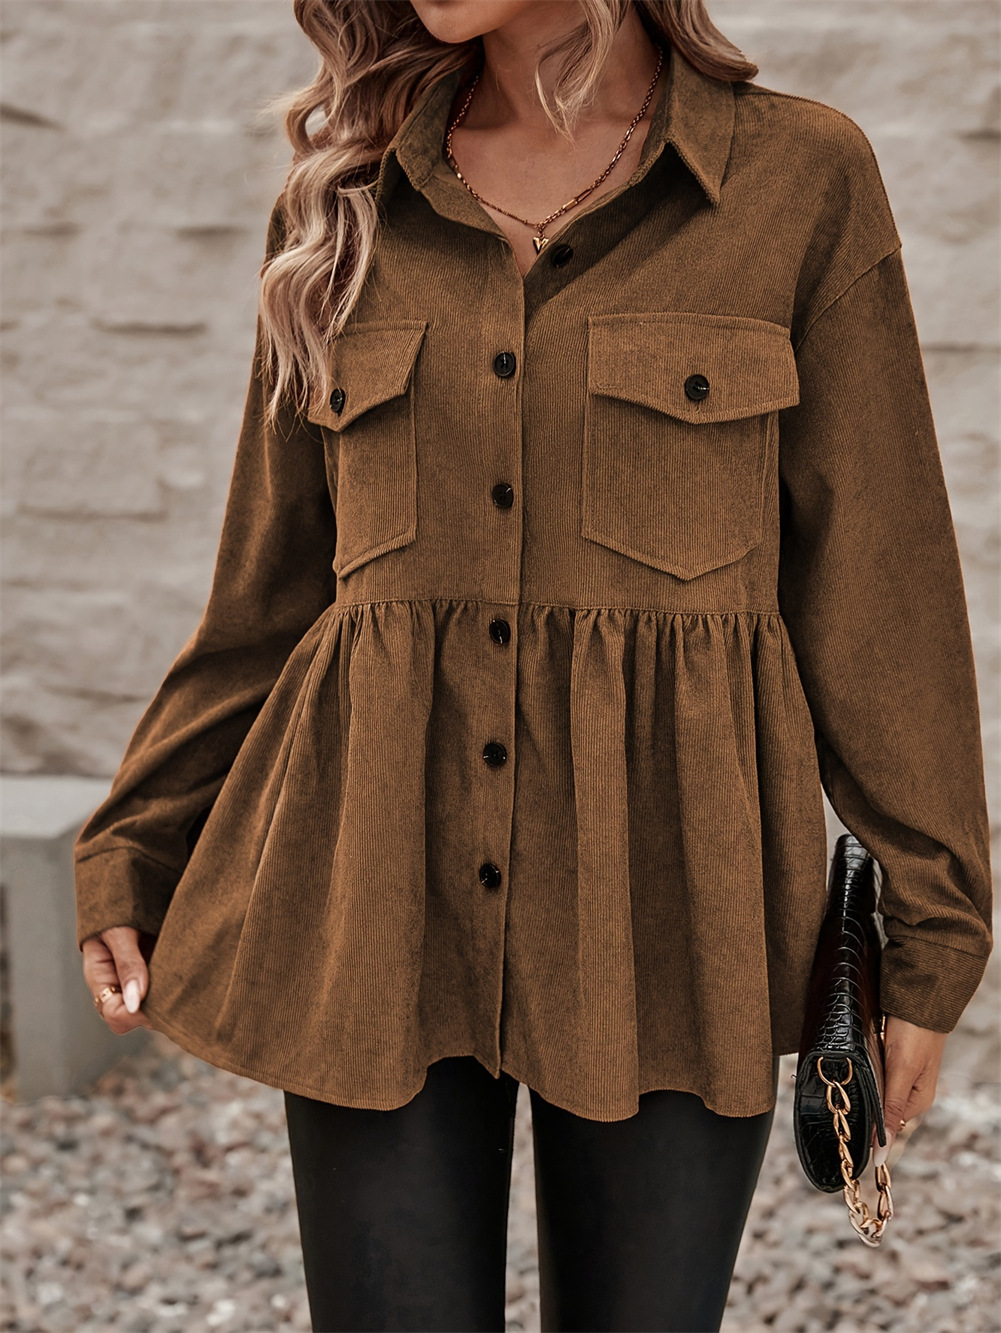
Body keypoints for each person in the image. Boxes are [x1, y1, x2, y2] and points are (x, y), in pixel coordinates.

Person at [76, 2, 993, 1330]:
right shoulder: (343, 203)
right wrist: (134, 843)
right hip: (378, 889)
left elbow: (880, 587)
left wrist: (935, 926)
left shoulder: (799, 180)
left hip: (673, 903)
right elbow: (266, 596)